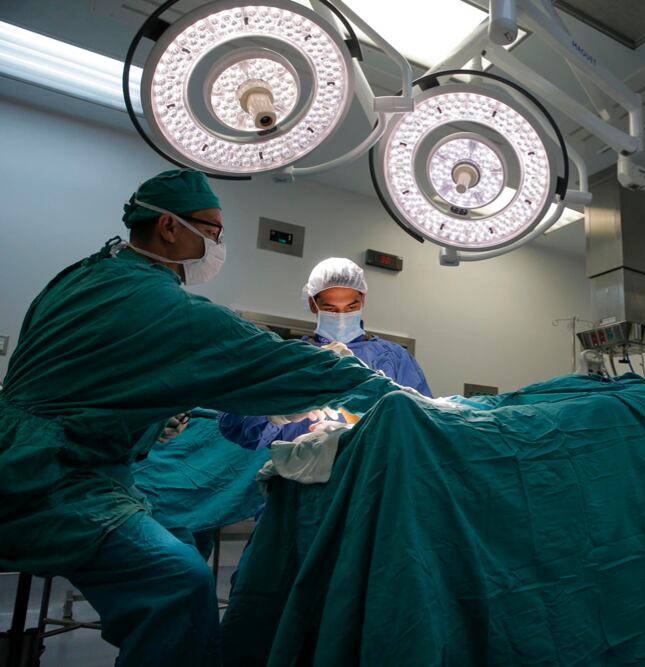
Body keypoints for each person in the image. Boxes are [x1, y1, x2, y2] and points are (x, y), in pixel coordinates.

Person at [0, 169, 401, 667]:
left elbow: (91, 379)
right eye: (213, 230)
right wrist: (385, 390)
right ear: (169, 226)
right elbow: (263, 367)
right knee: (178, 579)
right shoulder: (161, 305)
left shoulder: (83, 277)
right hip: (50, 475)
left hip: (31, 451)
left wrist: (148, 420)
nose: (217, 244)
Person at [218, 257, 431, 451]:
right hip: (297, 477)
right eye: (330, 309)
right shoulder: (290, 359)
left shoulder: (395, 359)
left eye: (351, 307)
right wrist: (277, 413)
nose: (341, 316)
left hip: (370, 475)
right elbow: (237, 428)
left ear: (363, 300)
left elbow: (423, 425)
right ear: (313, 304)